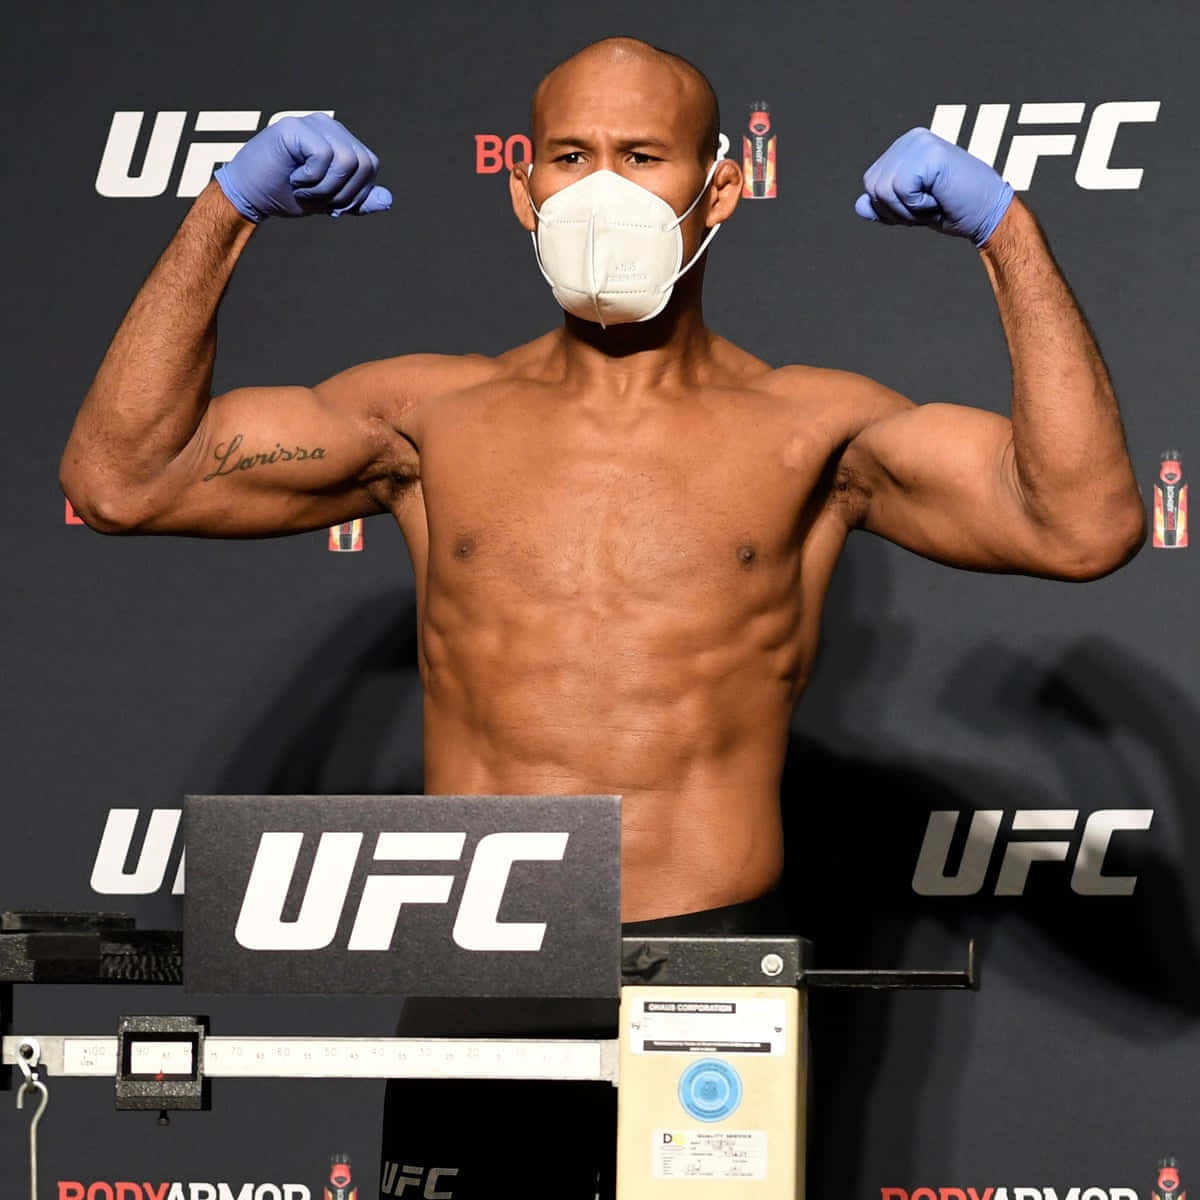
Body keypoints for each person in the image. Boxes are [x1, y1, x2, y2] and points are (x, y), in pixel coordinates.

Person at [60, 34, 1144, 1200]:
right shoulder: (427, 418)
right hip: (487, 953)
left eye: (643, 154)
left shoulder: (811, 429)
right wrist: (226, 208)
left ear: (720, 187)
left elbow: (1080, 524)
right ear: (521, 187)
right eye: (570, 155)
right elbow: (123, 479)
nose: (603, 190)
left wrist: (1007, 233)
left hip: (710, 953)